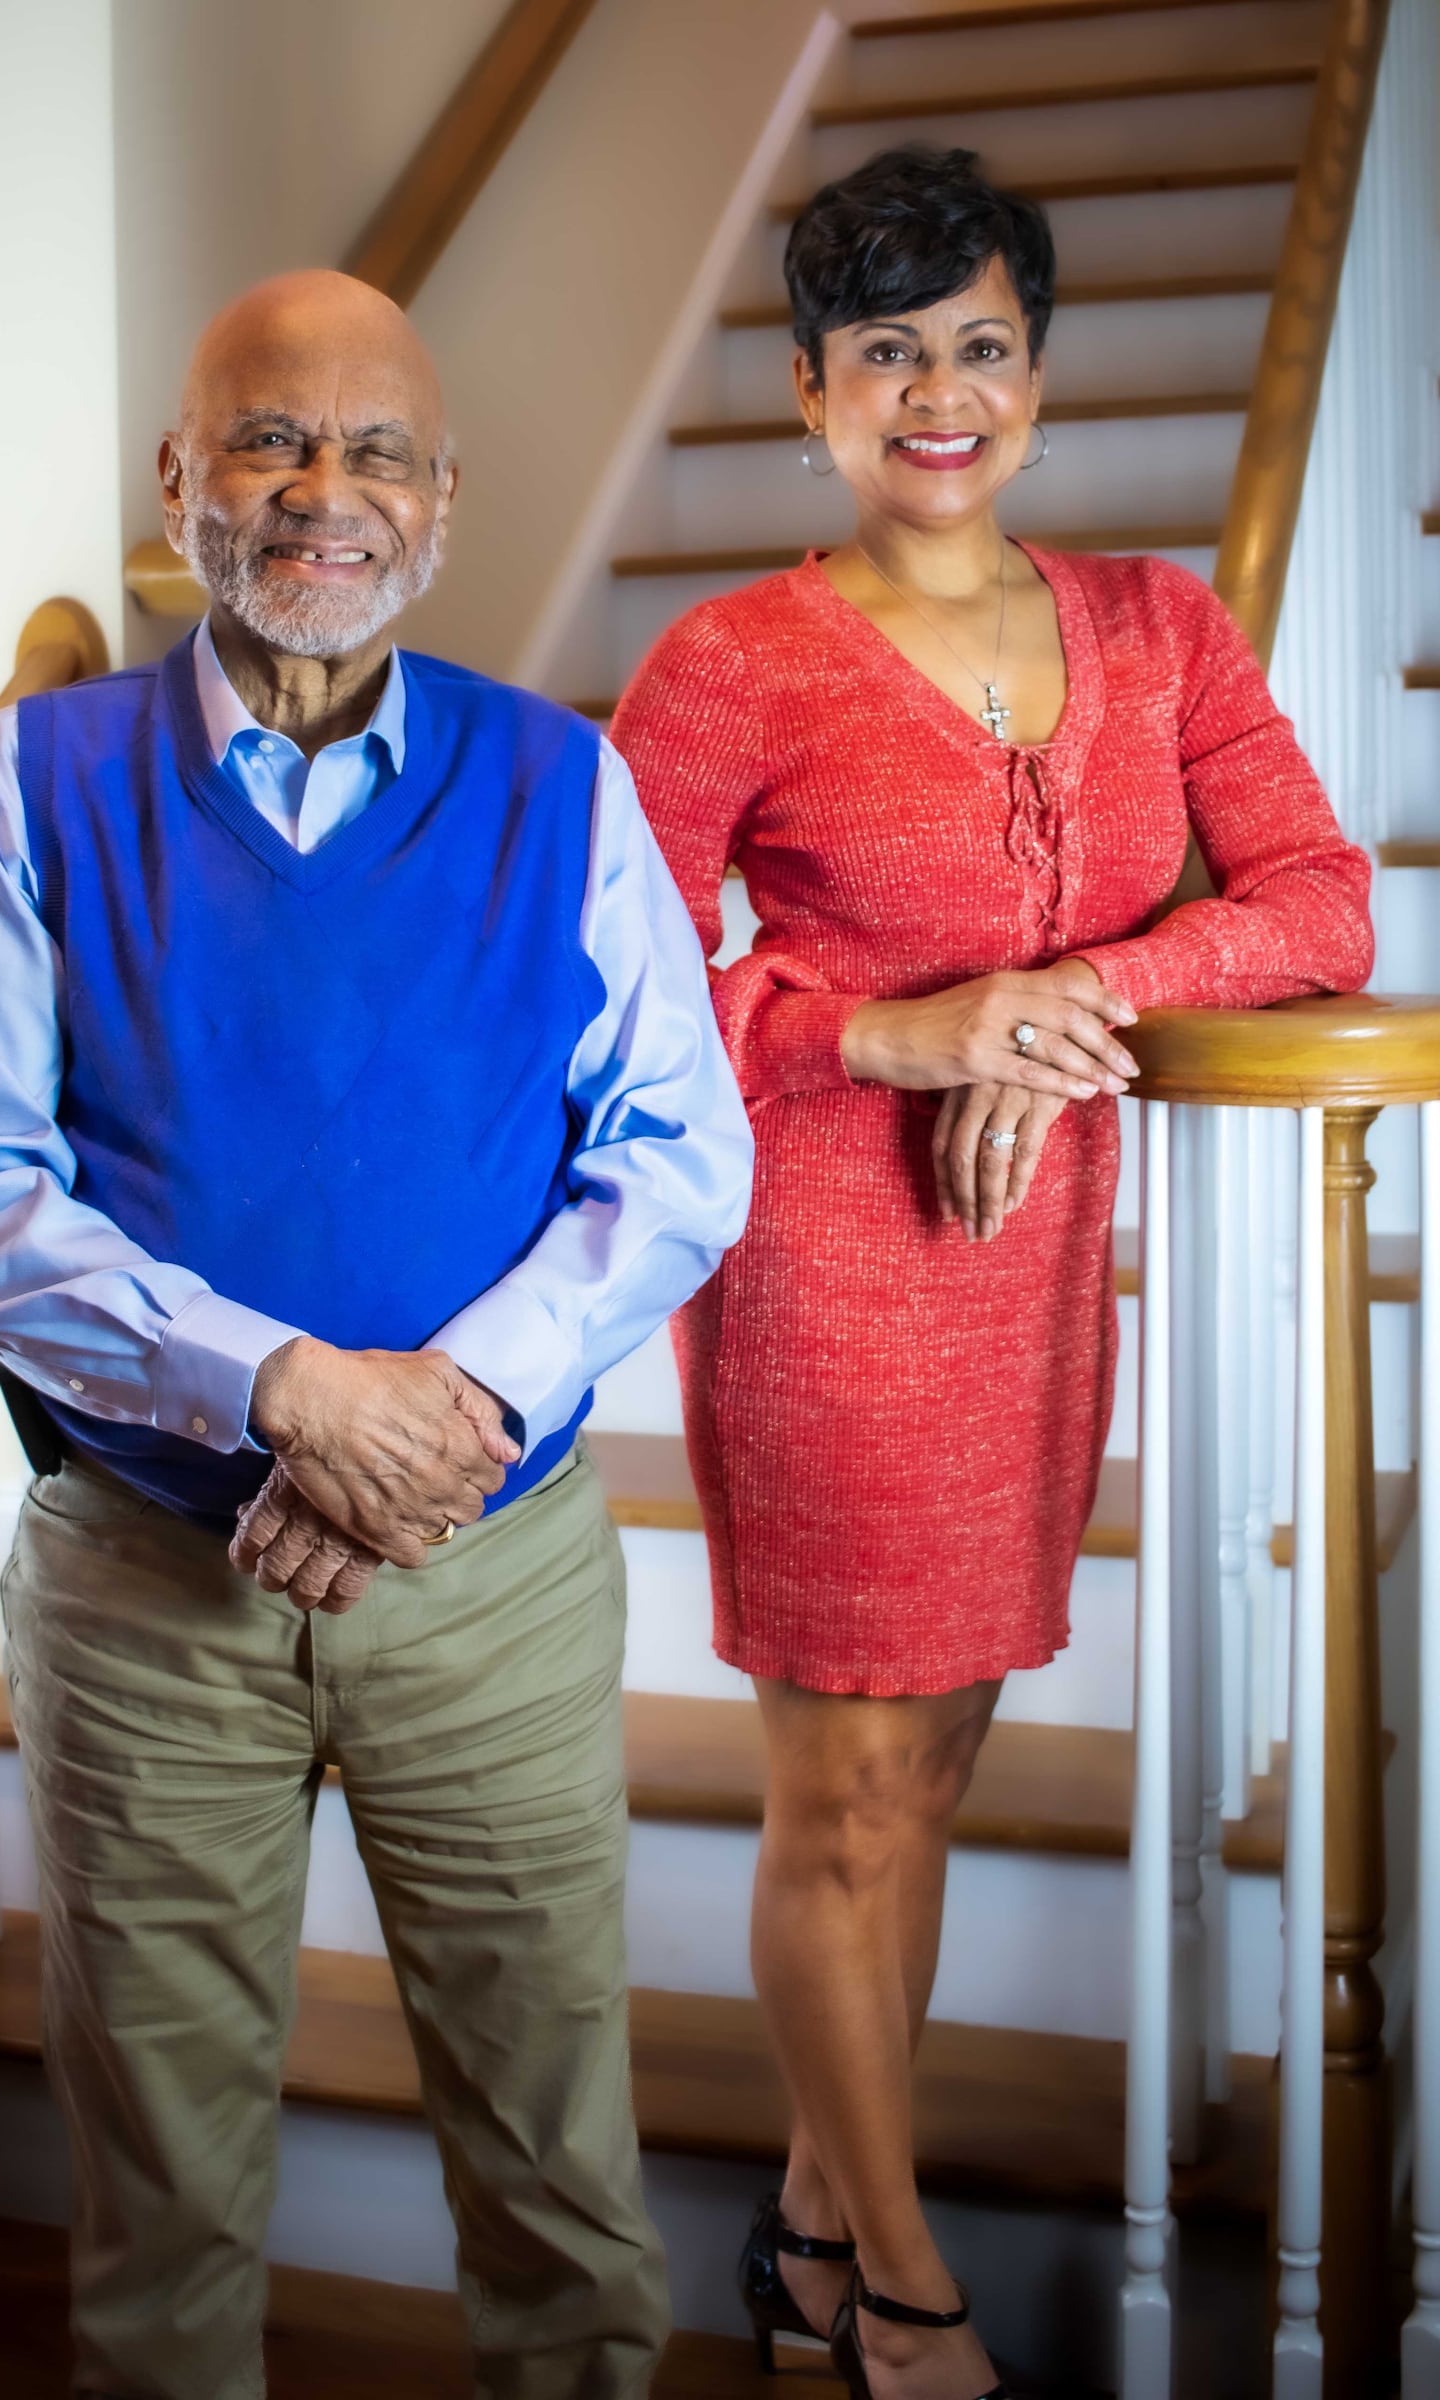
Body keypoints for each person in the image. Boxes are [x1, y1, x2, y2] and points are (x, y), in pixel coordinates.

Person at [0, 268, 755, 2400]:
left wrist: (439, 1413)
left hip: (491, 1576)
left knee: (557, 2173)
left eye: (373, 451)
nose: (318, 494)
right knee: (156, 2205)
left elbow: (678, 1154)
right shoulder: (22, 786)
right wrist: (279, 1394)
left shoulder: (564, 786)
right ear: (181, 482)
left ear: (440, 503)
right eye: (268, 441)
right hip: (147, 1586)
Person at [610, 144, 1374, 2400]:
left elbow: (1320, 901)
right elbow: (609, 995)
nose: (933, 392)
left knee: (930, 1761)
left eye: (973, 345)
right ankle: (903, 2293)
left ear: (1031, 380)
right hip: (827, 1264)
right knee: (842, 1784)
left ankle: (814, 2233)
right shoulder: (726, 658)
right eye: (883, 353)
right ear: (810, 394)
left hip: (1032, 1274)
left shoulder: (1158, 625)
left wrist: (1079, 998)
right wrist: (899, 1026)